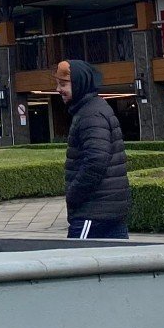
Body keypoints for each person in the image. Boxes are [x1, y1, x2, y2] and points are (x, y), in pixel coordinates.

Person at [58, 59, 131, 240]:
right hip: (109, 210)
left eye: (63, 84)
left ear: (79, 83)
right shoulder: (94, 109)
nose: (58, 89)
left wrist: (73, 194)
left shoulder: (90, 114)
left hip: (92, 212)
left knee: (73, 264)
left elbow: (96, 160)